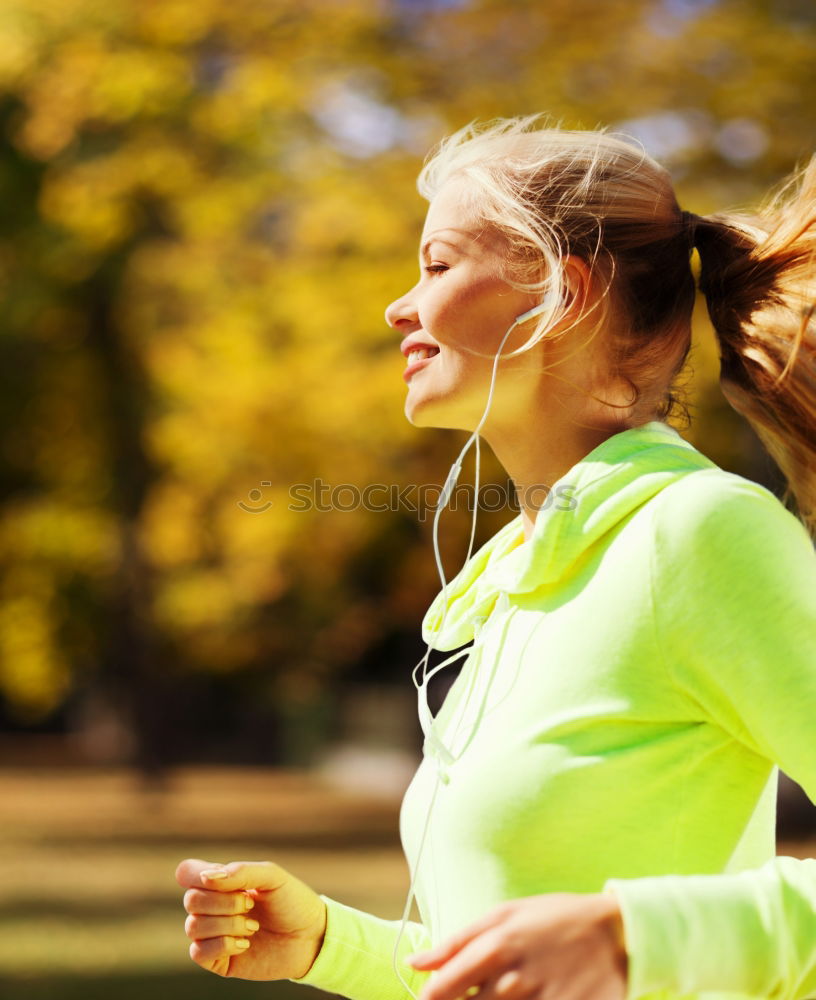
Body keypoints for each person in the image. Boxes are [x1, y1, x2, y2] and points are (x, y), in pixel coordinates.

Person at [176, 115, 816, 1000]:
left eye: (437, 265)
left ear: (565, 293)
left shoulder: (696, 535)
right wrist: (329, 944)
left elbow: (607, 949)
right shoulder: (522, 574)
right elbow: (523, 956)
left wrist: (644, 938)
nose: (400, 306)